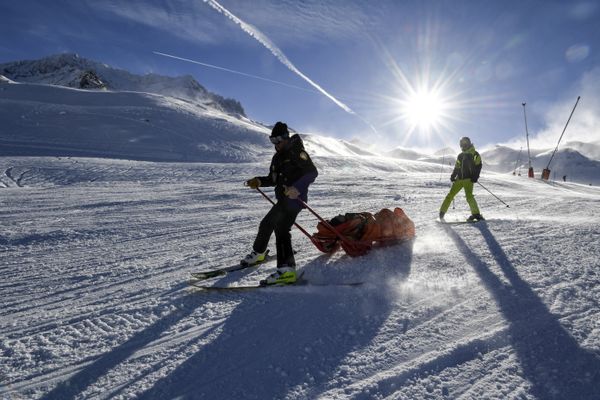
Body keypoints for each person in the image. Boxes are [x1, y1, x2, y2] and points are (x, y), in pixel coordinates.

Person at [243, 122, 318, 285]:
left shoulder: (297, 152)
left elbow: (312, 172)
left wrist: (297, 188)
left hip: (295, 199)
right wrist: (259, 181)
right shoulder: (277, 158)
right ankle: (259, 254)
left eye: (277, 140)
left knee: (282, 227)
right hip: (283, 200)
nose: (275, 144)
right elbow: (273, 179)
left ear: (285, 137)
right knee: (266, 224)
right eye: (272, 140)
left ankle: (286, 271)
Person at [439, 136, 484, 222]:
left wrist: (475, 176)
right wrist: (453, 175)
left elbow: (478, 166)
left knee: (469, 196)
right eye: (461, 145)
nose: (463, 147)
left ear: (468, 144)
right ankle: (442, 213)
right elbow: (457, 167)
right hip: (459, 179)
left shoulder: (474, 154)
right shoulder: (460, 156)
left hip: (468, 179)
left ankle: (476, 214)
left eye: (464, 144)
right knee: (450, 195)